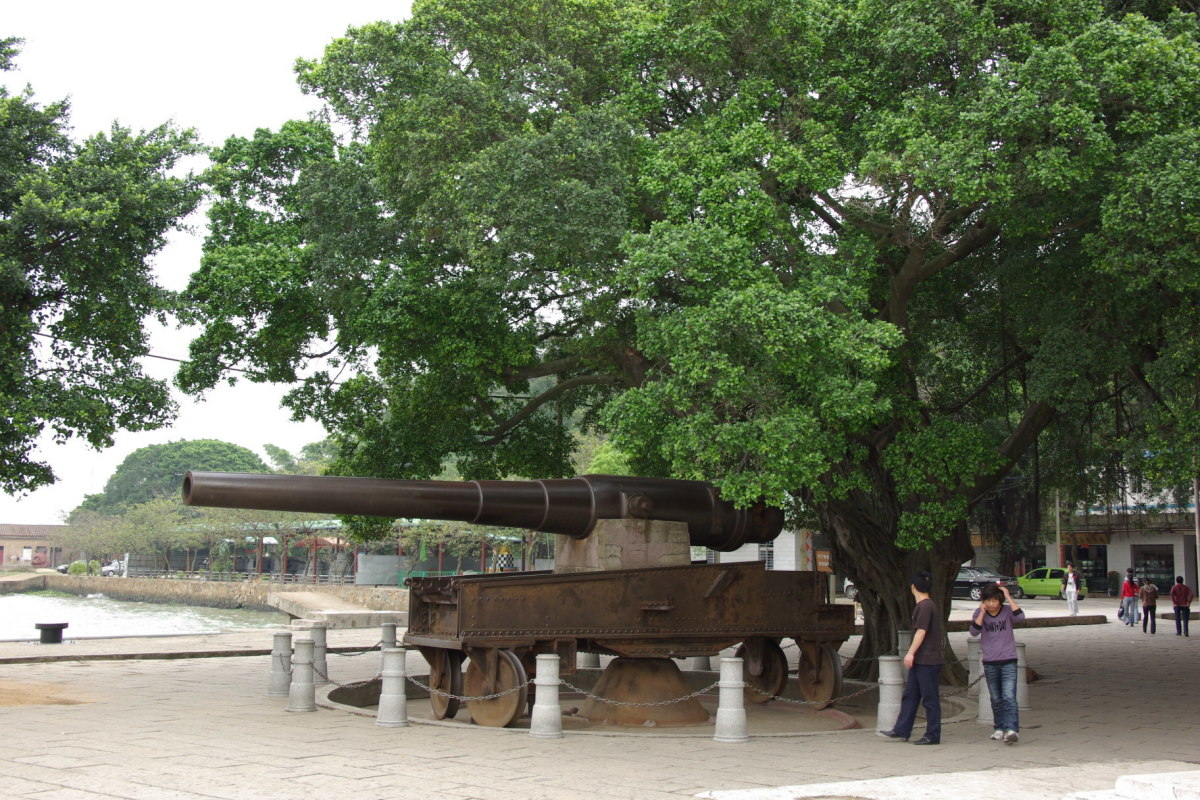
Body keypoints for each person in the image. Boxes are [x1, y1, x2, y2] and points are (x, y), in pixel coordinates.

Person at [879, 570, 943, 745]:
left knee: (930, 699)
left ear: (913, 587)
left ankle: (933, 734)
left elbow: (921, 632)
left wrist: (910, 652)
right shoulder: (925, 605)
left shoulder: (925, 606)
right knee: (910, 695)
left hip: (928, 660)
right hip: (921, 660)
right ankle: (902, 729)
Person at [969, 583, 1024, 743]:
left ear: (1000, 601)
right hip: (990, 661)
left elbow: (1020, 617)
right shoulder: (980, 613)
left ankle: (1012, 729)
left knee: (1009, 697)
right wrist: (982, 612)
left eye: (995, 601)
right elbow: (974, 631)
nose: (992, 604)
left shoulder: (1007, 611)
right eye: (988, 600)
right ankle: (999, 728)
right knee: (996, 698)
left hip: (1008, 660)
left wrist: (1008, 597)